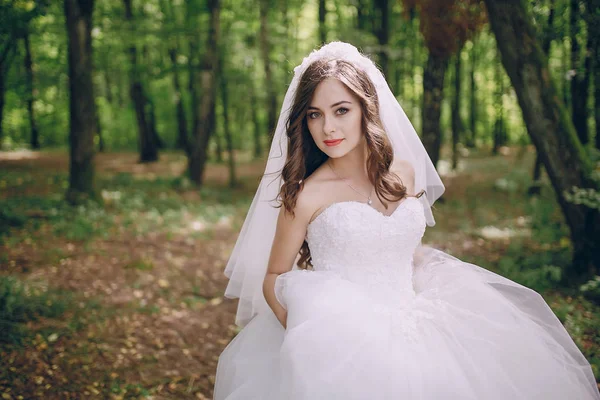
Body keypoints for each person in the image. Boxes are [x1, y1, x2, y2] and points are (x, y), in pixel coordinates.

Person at [213, 42, 600, 400]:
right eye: (314, 114)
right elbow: (272, 277)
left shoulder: (404, 172)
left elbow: (397, 248)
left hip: (417, 319)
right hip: (341, 337)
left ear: (367, 108)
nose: (327, 128)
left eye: (341, 110)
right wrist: (306, 336)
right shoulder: (307, 194)